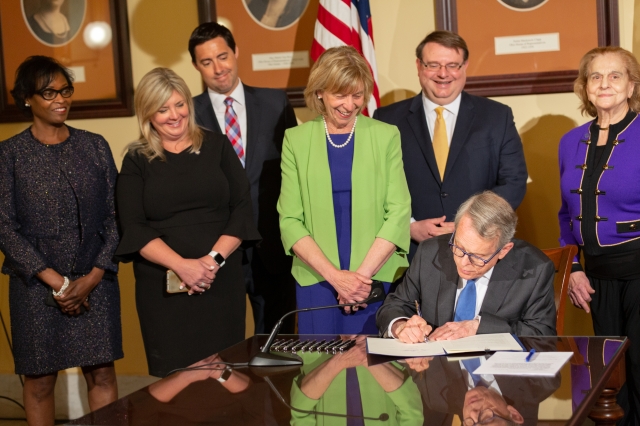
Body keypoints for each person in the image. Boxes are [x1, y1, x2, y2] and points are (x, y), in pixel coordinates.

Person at [0, 55, 122, 424]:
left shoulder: (95, 145)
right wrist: (58, 282)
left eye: (65, 90)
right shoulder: (9, 155)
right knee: (39, 381)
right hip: (36, 285)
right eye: (49, 92)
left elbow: (118, 216)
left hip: (95, 279)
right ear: (26, 98)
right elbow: (4, 227)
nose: (60, 99)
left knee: (102, 373)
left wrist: (93, 276)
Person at [115, 67, 260, 377]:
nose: (174, 115)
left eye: (179, 104)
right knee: (177, 378)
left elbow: (242, 208)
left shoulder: (218, 146)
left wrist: (211, 262)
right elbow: (134, 226)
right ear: (147, 114)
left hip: (220, 281)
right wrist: (182, 266)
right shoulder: (136, 159)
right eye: (162, 108)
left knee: (225, 373)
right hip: (164, 291)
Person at [278, 46, 411, 335]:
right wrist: (336, 278)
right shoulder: (295, 140)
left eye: (357, 95)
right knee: (321, 371)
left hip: (376, 277)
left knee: (378, 370)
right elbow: (289, 220)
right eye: (340, 94)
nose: (349, 105)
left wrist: (359, 280)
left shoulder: (386, 135)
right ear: (320, 92)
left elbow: (399, 212)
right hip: (318, 279)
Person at [373, 31, 527, 260]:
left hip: (481, 250)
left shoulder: (497, 116)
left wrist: (473, 224)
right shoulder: (386, 119)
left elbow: (513, 181)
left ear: (465, 66)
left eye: (452, 65)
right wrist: (407, 226)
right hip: (410, 255)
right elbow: (376, 183)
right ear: (418, 66)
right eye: (433, 65)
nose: (443, 74)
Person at [189, 22, 298, 334]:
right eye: (206, 62)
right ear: (196, 65)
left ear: (236, 52)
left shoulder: (276, 103)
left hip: (273, 249)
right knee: (221, 351)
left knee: (278, 348)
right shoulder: (188, 117)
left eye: (222, 56)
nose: (218, 68)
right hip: (216, 252)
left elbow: (294, 174)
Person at [558, 46, 640, 425]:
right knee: (607, 375)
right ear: (585, 87)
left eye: (615, 76)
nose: (604, 83)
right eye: (595, 76)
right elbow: (565, 214)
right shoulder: (569, 141)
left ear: (631, 86)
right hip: (595, 277)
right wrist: (572, 268)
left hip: (639, 271)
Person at [377, 191, 556, 342]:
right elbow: (395, 304)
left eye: (478, 257)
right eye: (459, 248)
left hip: (496, 379)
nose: (464, 263)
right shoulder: (430, 252)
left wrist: (479, 327)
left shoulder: (535, 269)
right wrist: (400, 326)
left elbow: (542, 334)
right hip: (437, 374)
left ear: (504, 250)